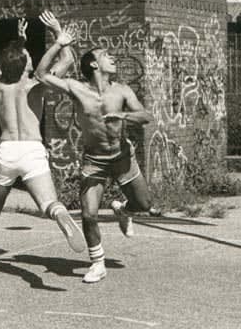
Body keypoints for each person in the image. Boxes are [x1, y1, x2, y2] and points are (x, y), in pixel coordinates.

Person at [0, 14, 85, 282]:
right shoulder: (37, 86)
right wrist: (59, 35)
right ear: (25, 64)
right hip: (32, 151)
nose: (31, 58)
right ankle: (59, 215)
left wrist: (19, 42)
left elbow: (6, 64)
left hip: (6, 151)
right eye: (28, 56)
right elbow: (66, 60)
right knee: (50, 203)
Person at [35, 23, 153, 284]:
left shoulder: (122, 90)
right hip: (94, 161)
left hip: (122, 157)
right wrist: (59, 41)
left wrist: (123, 115)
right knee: (89, 214)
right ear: (94, 66)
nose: (112, 58)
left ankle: (123, 210)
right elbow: (41, 74)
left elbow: (146, 116)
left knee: (143, 204)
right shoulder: (77, 88)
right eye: (106, 55)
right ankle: (97, 263)